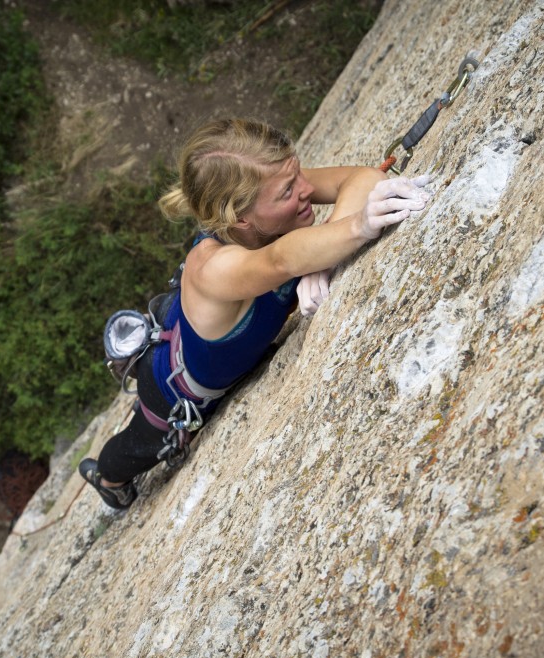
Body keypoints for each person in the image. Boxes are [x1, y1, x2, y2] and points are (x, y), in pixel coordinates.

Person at [78, 118, 431, 509]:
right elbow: (281, 259)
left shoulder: (270, 191)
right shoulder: (216, 267)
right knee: (136, 447)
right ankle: (105, 479)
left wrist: (322, 259)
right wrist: (357, 226)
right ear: (239, 219)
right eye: (287, 191)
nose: (307, 191)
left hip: (203, 332)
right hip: (172, 390)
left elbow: (361, 178)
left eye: (297, 173)